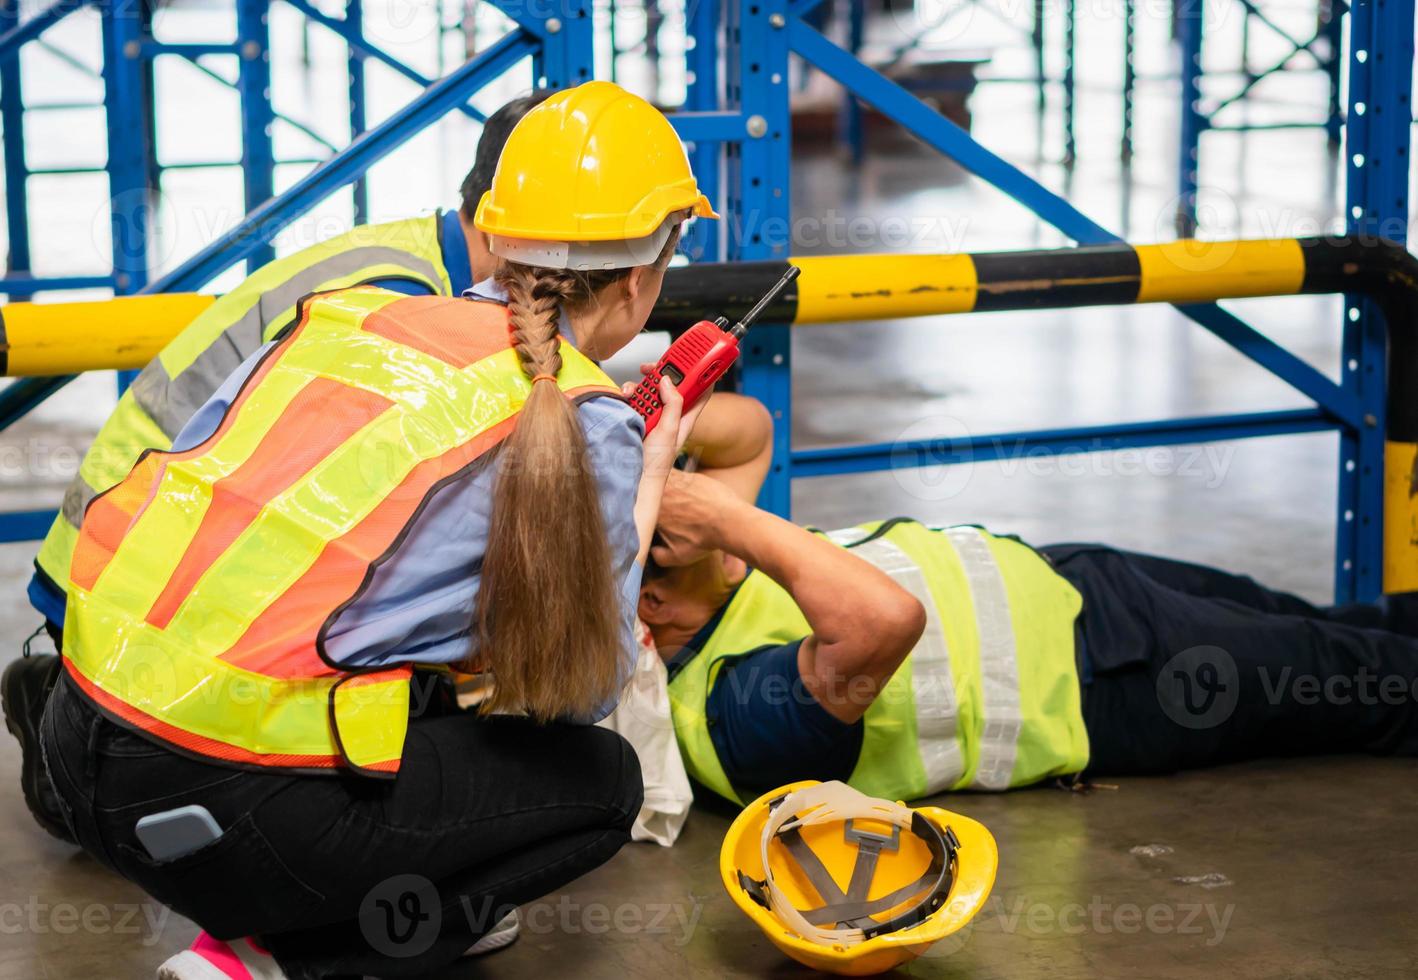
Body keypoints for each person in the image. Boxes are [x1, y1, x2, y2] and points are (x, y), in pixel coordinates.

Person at [38, 81, 718, 980]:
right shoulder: (591, 419)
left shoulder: (361, 311)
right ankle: (276, 959)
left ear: (496, 234)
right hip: (220, 804)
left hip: (70, 733)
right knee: (600, 785)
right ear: (642, 277)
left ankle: (279, 905)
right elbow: (582, 688)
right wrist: (652, 461)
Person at [3, 91, 557, 843]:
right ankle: (78, 743)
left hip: (131, 545)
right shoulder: (400, 301)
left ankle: (87, 728)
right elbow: (349, 522)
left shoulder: (419, 266)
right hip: (132, 576)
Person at [639, 470, 1418, 805]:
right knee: (1363, 681)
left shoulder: (717, 585)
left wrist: (649, 431)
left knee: (1332, 625)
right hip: (1110, 679)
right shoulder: (730, 715)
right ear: (650, 601)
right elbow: (883, 621)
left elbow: (747, 429)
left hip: (1077, 580)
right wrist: (730, 520)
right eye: (668, 533)